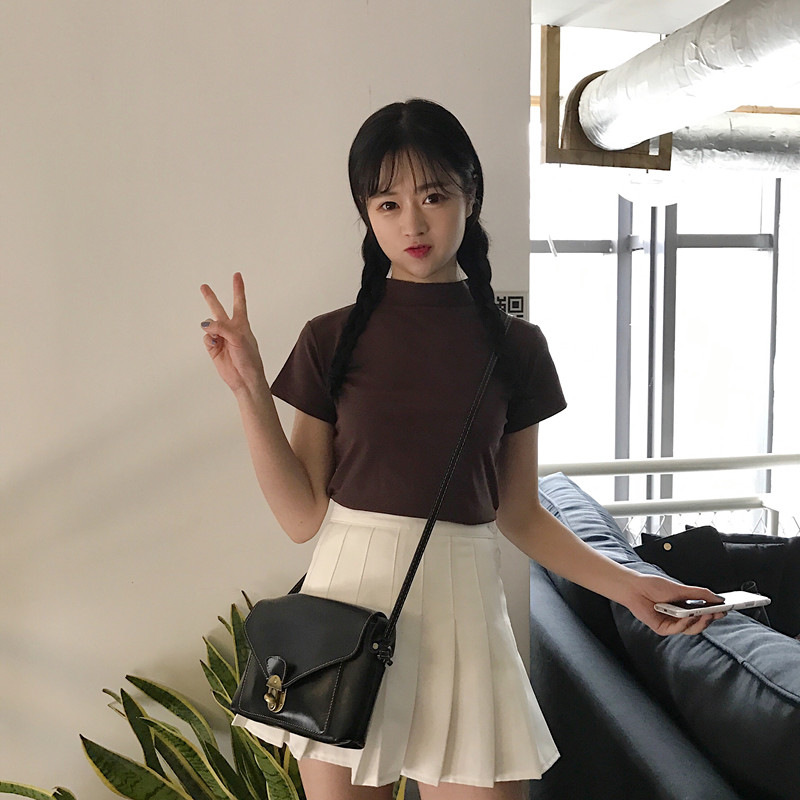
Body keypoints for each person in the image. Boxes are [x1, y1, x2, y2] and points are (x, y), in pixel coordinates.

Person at [199, 98, 725, 800]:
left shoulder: (517, 348)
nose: (412, 224)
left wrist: (635, 589)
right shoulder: (331, 337)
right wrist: (248, 389)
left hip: (465, 613)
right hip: (344, 615)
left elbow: (521, 515)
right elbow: (301, 516)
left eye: (433, 196)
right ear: (367, 215)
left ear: (470, 197)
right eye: (387, 204)